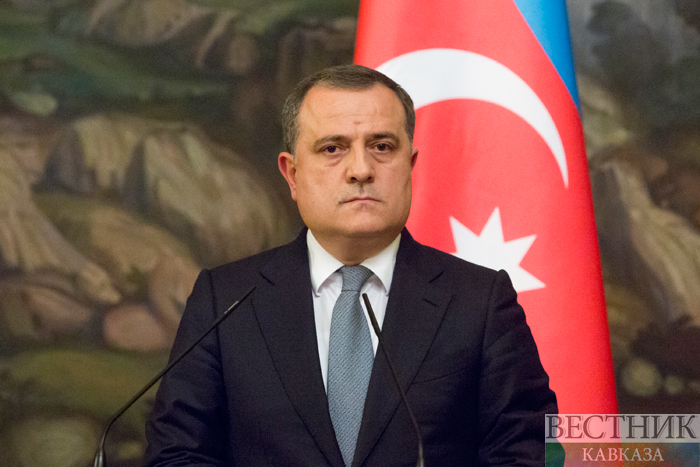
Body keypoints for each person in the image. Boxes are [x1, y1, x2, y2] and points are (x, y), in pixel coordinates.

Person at [145, 64, 557, 467]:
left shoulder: (479, 302)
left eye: (382, 147)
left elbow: (529, 452)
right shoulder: (226, 300)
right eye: (332, 148)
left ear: (410, 165)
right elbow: (177, 453)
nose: (361, 170)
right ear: (292, 174)